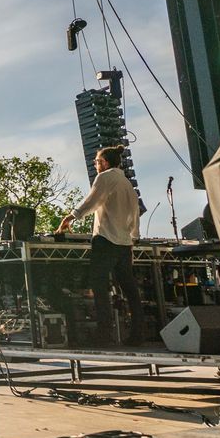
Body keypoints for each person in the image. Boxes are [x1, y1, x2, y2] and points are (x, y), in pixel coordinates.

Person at [56, 144, 146, 345]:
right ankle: (138, 334)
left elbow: (92, 201)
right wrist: (134, 236)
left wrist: (70, 217)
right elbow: (135, 212)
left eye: (97, 162)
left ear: (104, 162)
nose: (95, 165)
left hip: (106, 239)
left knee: (99, 285)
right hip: (124, 243)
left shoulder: (105, 178)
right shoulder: (126, 183)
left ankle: (104, 334)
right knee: (129, 289)